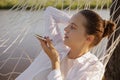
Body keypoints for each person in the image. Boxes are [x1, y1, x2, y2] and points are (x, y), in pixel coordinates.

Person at [15, 6, 116, 80]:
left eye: (72, 27)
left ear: (89, 38)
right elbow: (49, 12)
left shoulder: (93, 68)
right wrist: (75, 21)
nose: (66, 29)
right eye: (69, 25)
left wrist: (55, 62)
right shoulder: (57, 44)